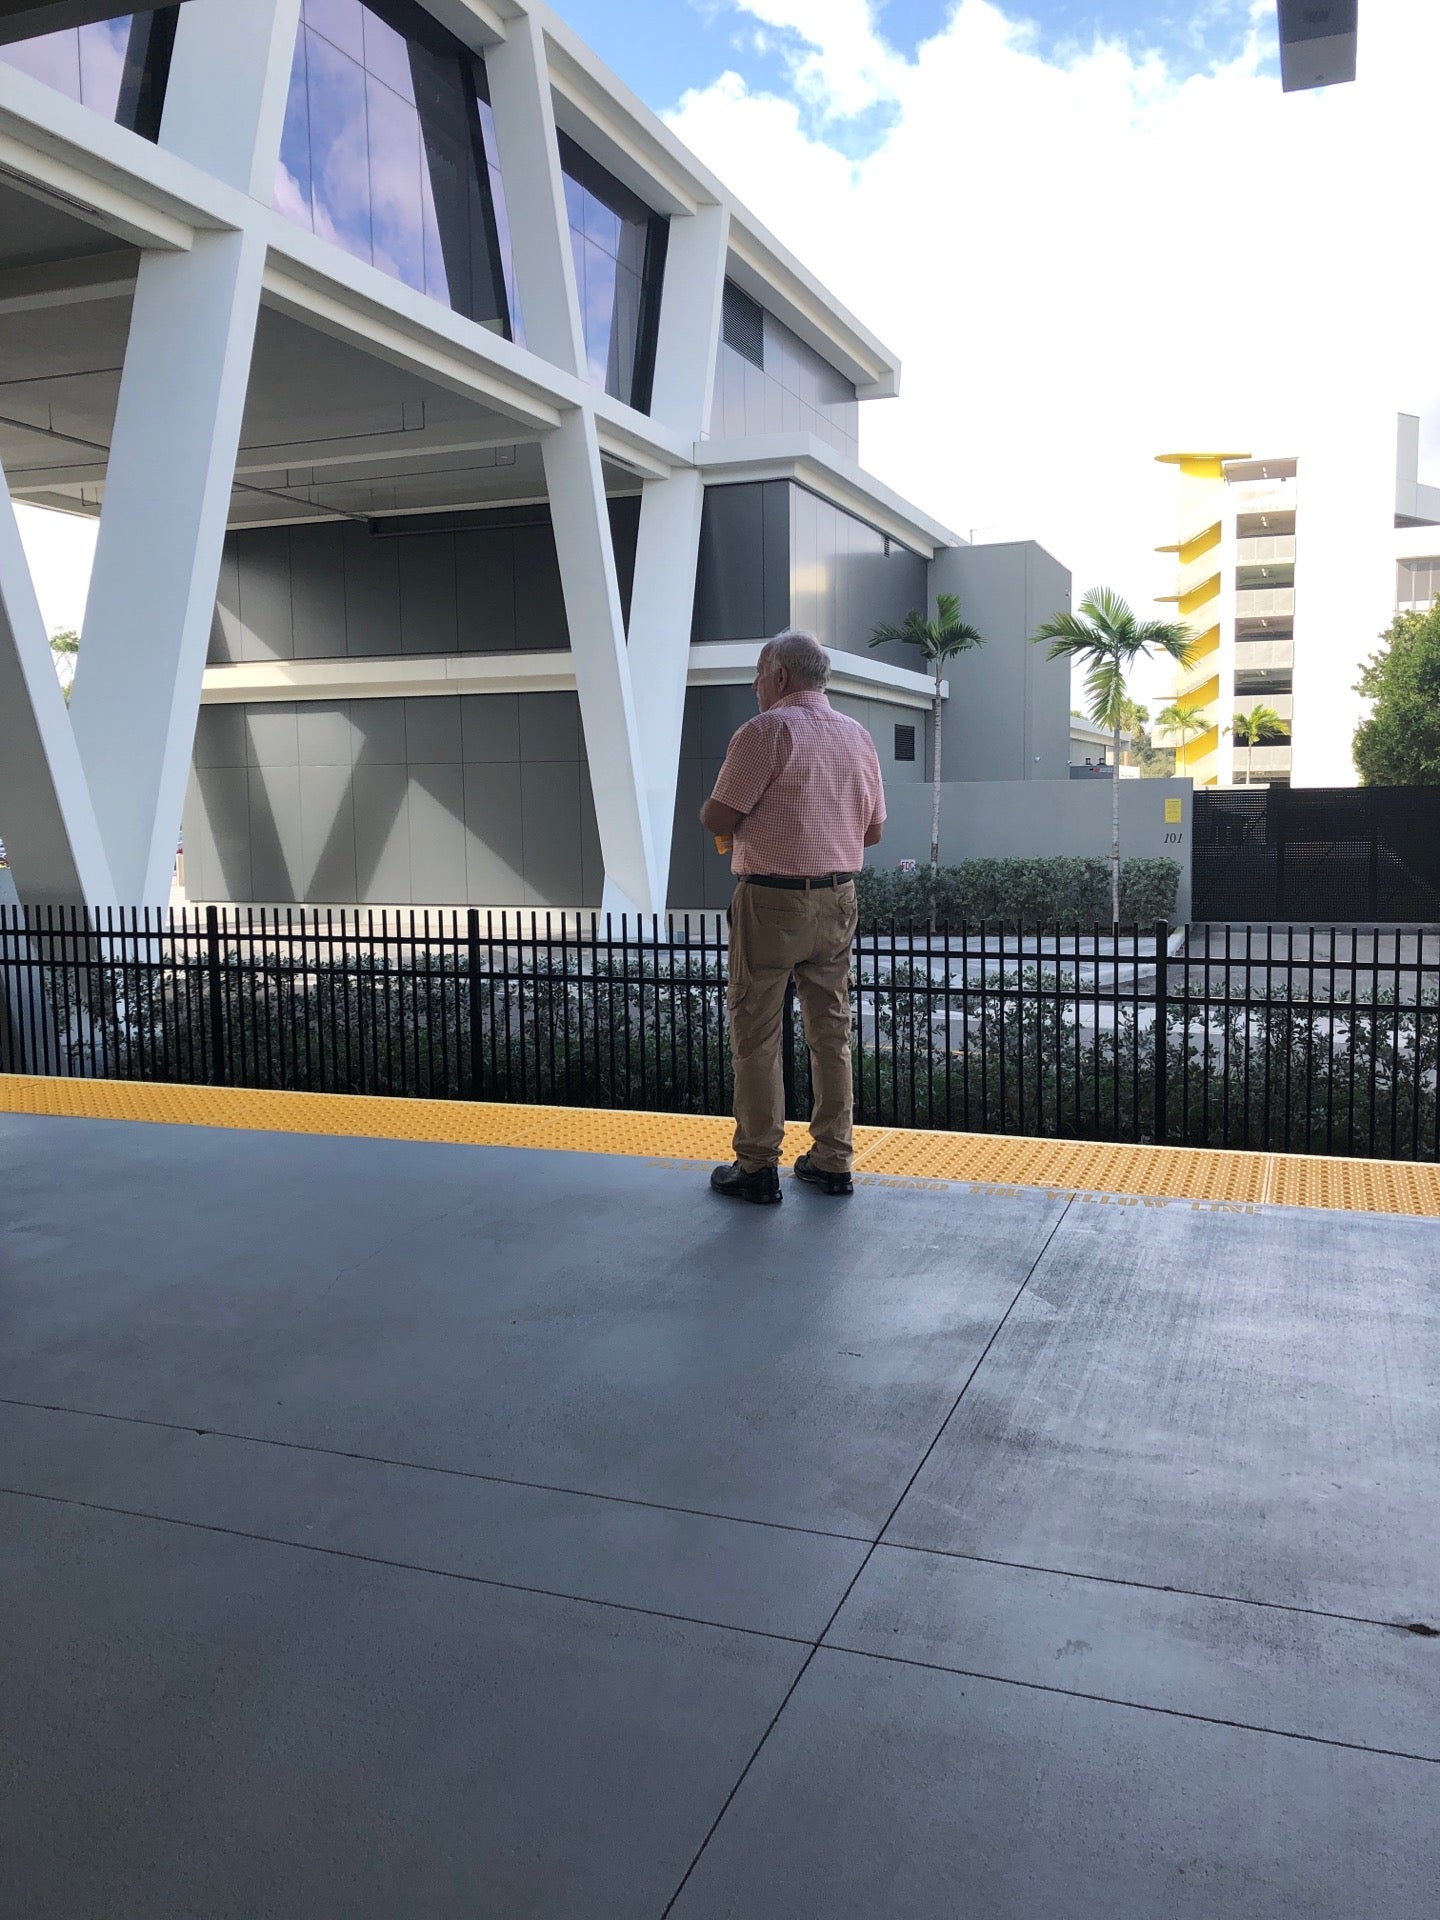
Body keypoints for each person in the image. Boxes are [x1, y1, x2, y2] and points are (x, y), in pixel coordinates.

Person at [700, 630, 885, 1204]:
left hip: (771, 901)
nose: (756, 686)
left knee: (756, 1032)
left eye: (758, 674)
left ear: (779, 676)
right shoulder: (857, 735)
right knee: (831, 1030)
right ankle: (833, 1159)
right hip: (839, 899)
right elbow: (874, 831)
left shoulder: (765, 731)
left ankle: (757, 1165)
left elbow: (717, 816)